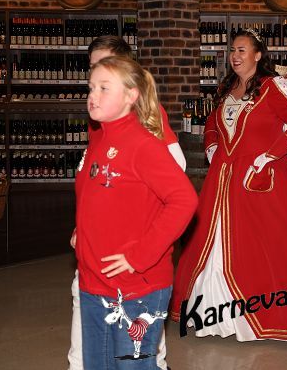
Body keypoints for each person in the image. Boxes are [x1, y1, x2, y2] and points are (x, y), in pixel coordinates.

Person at [171, 29, 287, 340]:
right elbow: (212, 123)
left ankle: (265, 315)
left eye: (242, 50)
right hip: (223, 180)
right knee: (212, 242)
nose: (235, 56)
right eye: (232, 50)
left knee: (269, 246)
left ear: (258, 55)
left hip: (260, 178)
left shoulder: (273, 86)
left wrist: (270, 155)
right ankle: (212, 314)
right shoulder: (226, 88)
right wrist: (212, 146)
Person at [68, 36, 185, 370]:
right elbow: (97, 198)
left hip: (135, 287)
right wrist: (82, 233)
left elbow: (182, 199)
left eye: (104, 87)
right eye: (91, 87)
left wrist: (141, 255)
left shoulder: (143, 143)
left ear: (130, 95)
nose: (93, 95)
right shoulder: (99, 138)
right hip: (94, 282)